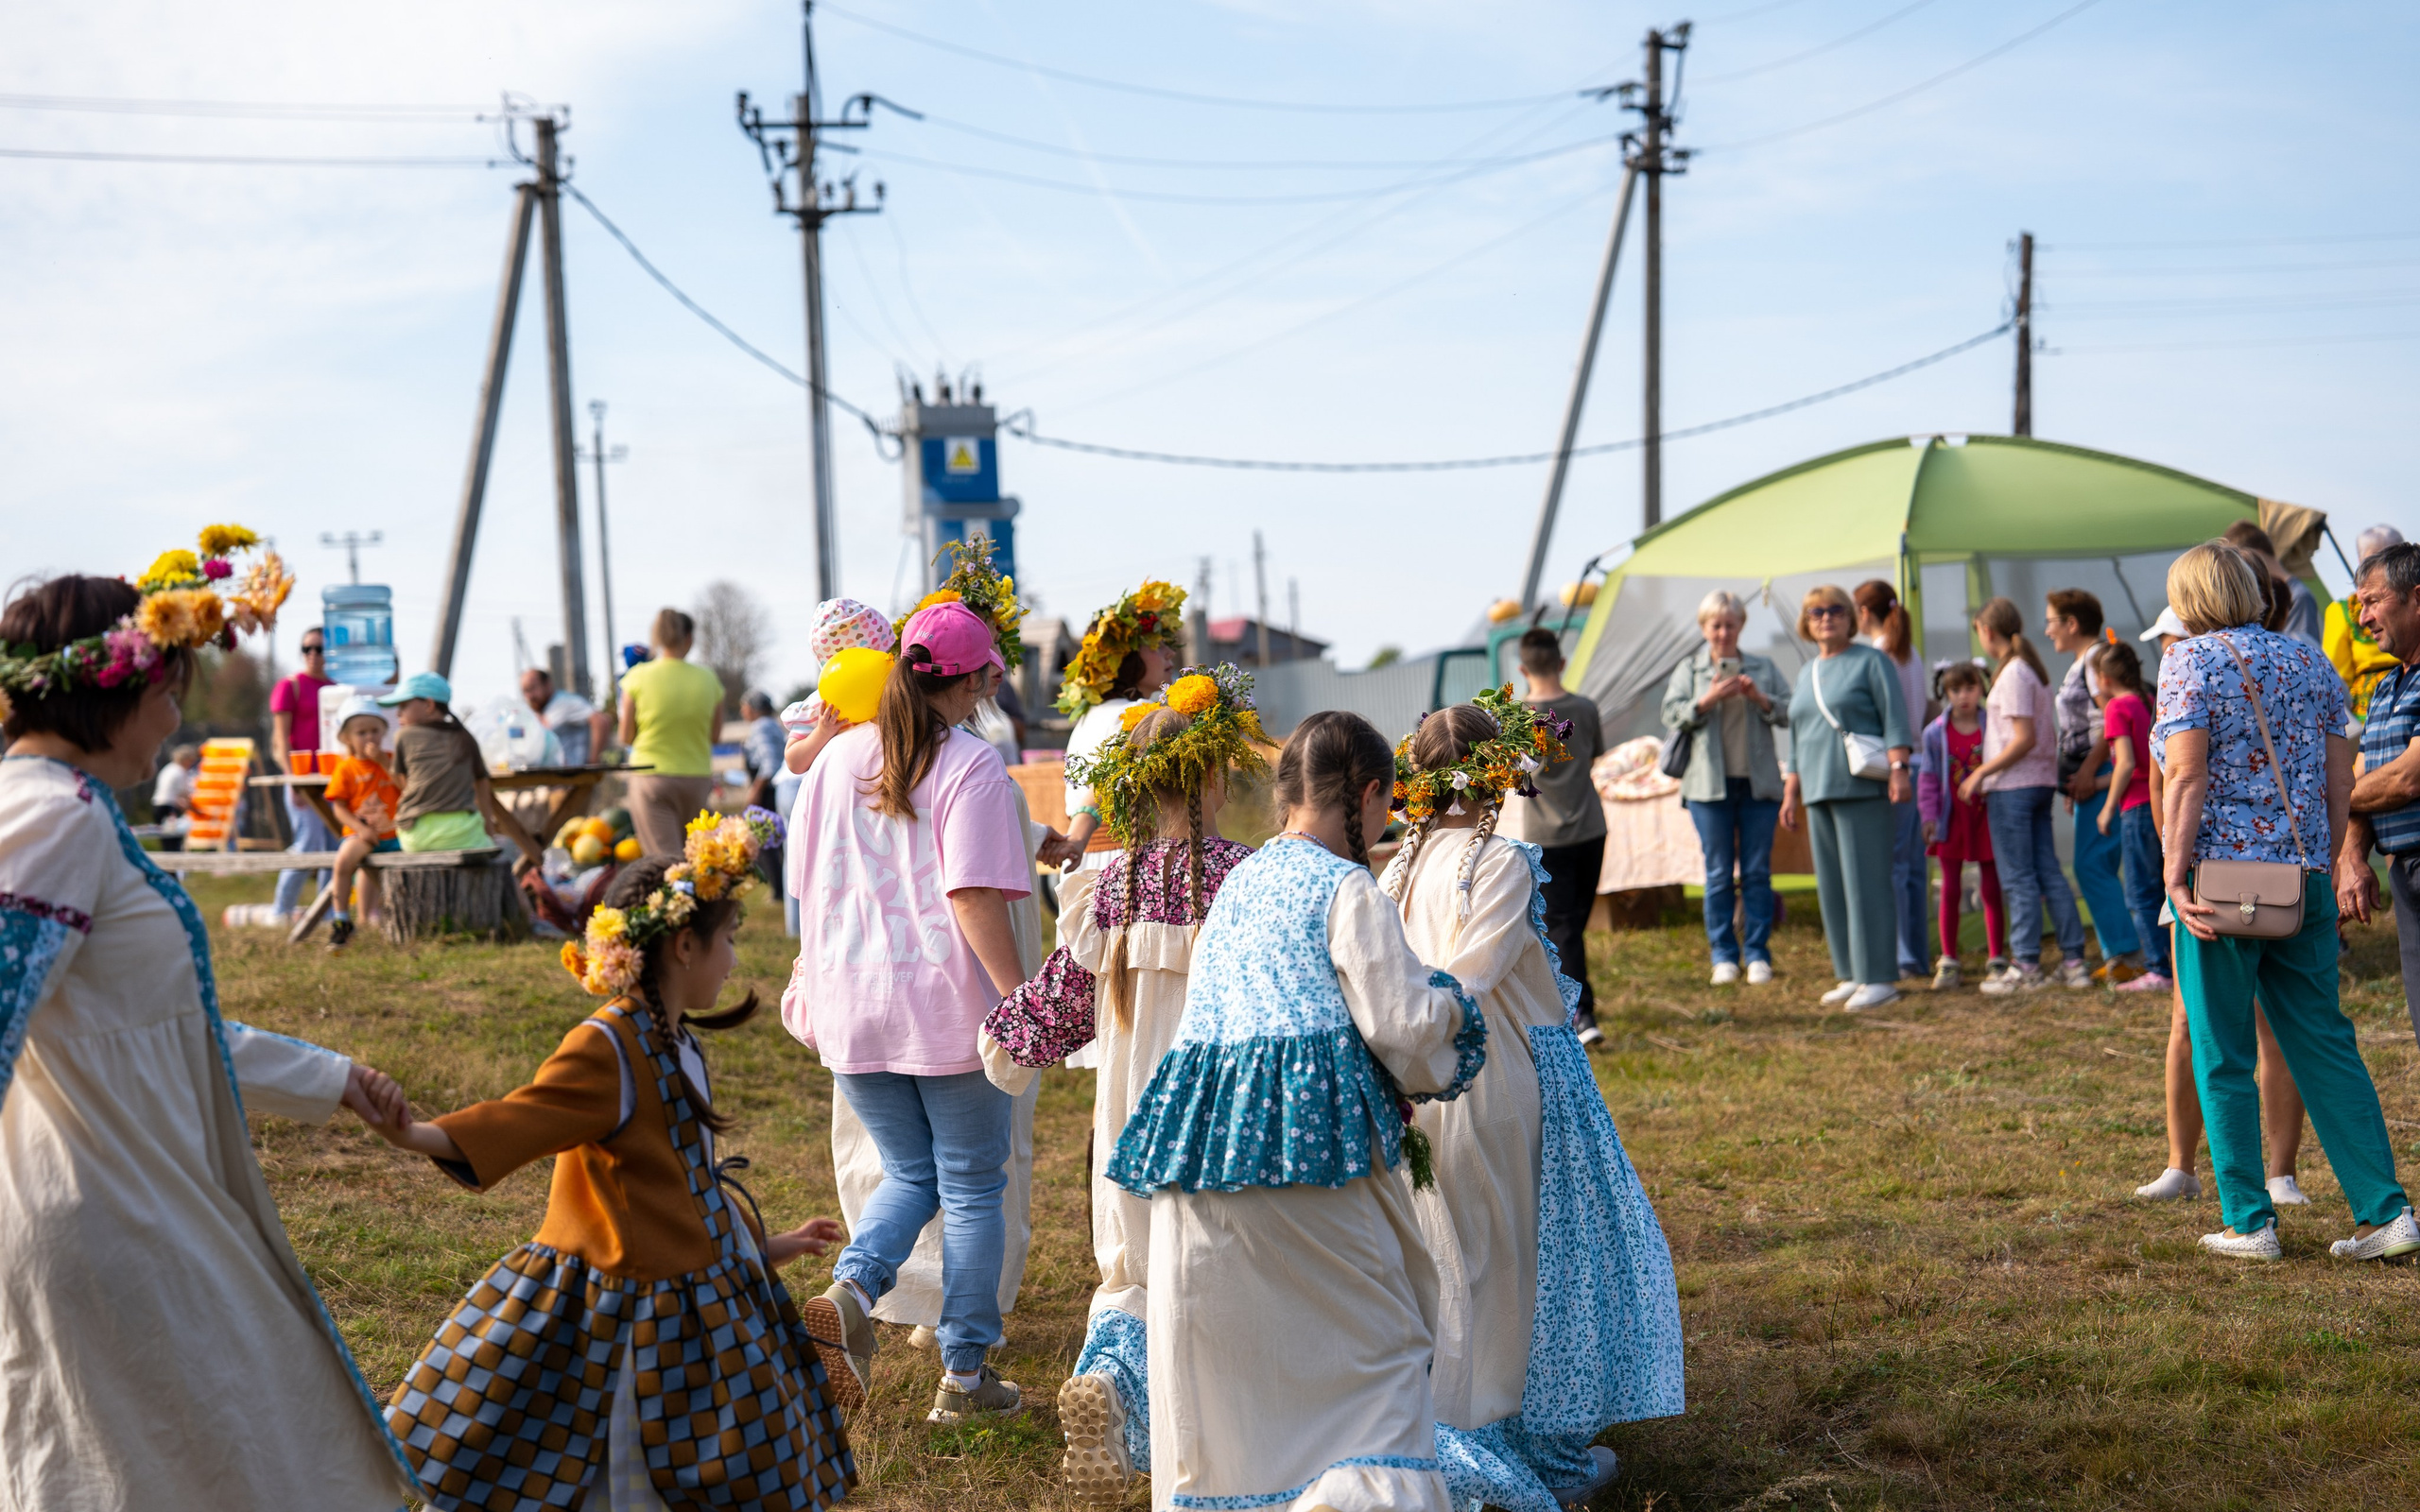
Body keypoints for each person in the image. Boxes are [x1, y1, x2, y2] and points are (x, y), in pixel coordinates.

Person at [0, 549, 425, 1509]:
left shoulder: (63, 809)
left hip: (130, 1196)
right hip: (107, 1211)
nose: (174, 718)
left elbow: (151, 1019)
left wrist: (328, 1078)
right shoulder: (51, 816)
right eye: (169, 691)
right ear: (111, 690)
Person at [374, 828, 858, 1509]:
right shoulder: (608, 1045)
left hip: (691, 1305)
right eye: (728, 939)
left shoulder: (677, 1040)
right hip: (629, 1318)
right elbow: (521, 1118)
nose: (733, 958)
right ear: (684, 945)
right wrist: (410, 1133)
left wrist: (766, 1247)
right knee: (616, 1468)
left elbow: (684, 1188)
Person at [1103, 710, 1485, 1512]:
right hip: (1307, 1151)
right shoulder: (1348, 887)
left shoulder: (1239, 881)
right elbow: (1403, 1027)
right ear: (1371, 793)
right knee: (1382, 1354)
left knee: (1237, 1371)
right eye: (1388, 804)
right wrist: (1455, 1009)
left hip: (1204, 1153)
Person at [1384, 696, 1684, 1512]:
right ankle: (1500, 1441)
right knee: (1510, 1260)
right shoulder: (1502, 862)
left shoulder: (1395, 870)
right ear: (1497, 775)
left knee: (1446, 1254)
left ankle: (1447, 1419)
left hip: (1411, 1080)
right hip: (1491, 1074)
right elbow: (1469, 981)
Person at [979, 669, 1266, 1506]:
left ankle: (1111, 1379)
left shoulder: (1110, 887)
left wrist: (1004, 1043)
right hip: (1220, 1106)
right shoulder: (1246, 879)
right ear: (1215, 779)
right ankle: (1215, 1431)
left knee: (1133, 1266)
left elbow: (1063, 999)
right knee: (1220, 1258)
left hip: (1132, 1114)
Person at [784, 599, 1035, 1424]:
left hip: (847, 1002)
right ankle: (964, 1377)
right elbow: (972, 895)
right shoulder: (970, 764)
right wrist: (1020, 1000)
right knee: (970, 1186)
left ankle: (852, 1290)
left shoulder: (833, 758)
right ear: (973, 684)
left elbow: (803, 885)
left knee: (912, 1175)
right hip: (944, 1009)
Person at [2157, 541, 2416, 1262]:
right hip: (2303, 880)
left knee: (2223, 1050)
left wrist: (2174, 876)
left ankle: (2249, 1222)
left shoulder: (2187, 661)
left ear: (2190, 599)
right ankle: (2386, 1212)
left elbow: (2185, 775)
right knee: (2325, 1044)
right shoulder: (2310, 659)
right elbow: (2341, 780)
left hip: (2218, 883)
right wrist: (2325, 860)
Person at [2132, 607, 2308, 1206]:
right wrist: (2173, 867)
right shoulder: (2179, 689)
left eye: (2171, 637)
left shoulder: (2219, 670)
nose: (2167, 649)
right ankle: (2181, 1165)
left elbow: (2180, 778)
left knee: (2269, 1022)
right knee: (2188, 1020)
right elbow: (2161, 785)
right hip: (2199, 877)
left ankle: (2279, 1174)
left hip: (2252, 873)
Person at [1780, 585, 1914, 1011]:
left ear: (1851, 617)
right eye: (1816, 611)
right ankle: (1852, 972)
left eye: (1836, 610)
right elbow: (1798, 736)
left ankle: (1879, 977)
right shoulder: (1807, 671)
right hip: (1817, 789)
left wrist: (1899, 768)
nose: (1826, 618)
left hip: (1861, 786)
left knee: (1866, 883)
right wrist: (1791, 791)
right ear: (1806, 621)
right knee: (1834, 887)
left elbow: (1895, 717)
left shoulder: (1872, 661)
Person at [1661, 591, 1790, 988]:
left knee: (1757, 872)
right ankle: (1723, 956)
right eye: (1715, 625)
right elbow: (1670, 713)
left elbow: (1789, 711)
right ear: (1704, 628)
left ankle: (1758, 954)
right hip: (1707, 788)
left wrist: (1759, 698)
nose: (1723, 632)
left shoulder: (1763, 667)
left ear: (1741, 626)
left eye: (1730, 624)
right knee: (1717, 873)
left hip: (1758, 784)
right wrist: (1706, 701)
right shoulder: (1690, 669)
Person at [1962, 597, 2092, 993]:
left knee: (2019, 877)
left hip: (2014, 788)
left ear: (1987, 631)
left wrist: (1981, 772)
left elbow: (2024, 738)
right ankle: (2073, 962)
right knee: (2047, 871)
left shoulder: (2014, 673)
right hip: (2035, 784)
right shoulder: (2027, 669)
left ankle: (2026, 965)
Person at [2338, 538, 2420, 1055]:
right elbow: (2364, 777)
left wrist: (2327, 800)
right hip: (2406, 873)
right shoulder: (2388, 686)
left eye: (2372, 601)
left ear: (2417, 598)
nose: (2364, 618)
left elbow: (2407, 778)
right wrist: (2351, 855)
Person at [1515, 626, 1612, 1041]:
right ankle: (1578, 1010)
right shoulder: (1585, 709)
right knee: (1573, 924)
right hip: (1591, 828)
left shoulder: (1516, 719)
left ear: (1522, 669)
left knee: (1562, 926)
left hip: (1545, 836)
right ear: (1562, 662)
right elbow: (1594, 756)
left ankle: (1579, 1013)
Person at [2045, 590, 2146, 983]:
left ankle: (2129, 952)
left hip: (2102, 774)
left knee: (2091, 864)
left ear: (2072, 624)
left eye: (2051, 621)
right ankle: (2118, 952)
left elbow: (2110, 722)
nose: (2047, 630)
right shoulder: (2082, 663)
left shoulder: (2094, 661)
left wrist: (2088, 772)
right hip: (2089, 777)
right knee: (2093, 863)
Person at [1057, 580, 1188, 869]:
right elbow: (1103, 783)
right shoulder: (1134, 714)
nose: (1169, 653)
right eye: (1156, 645)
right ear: (1125, 657)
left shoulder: (1090, 715)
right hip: (1121, 861)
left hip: (1087, 859)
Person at [374, 671, 544, 869]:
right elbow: (482, 783)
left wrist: (382, 761)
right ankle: (524, 886)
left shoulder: (404, 736)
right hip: (465, 835)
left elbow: (406, 787)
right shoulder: (465, 737)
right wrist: (488, 831)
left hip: (416, 836)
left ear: (429, 705)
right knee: (499, 858)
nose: (398, 714)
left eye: (403, 706)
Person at [1855, 579, 1934, 981]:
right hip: (1920, 763)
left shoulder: (1879, 653)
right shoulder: (1909, 651)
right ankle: (1916, 954)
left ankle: (1902, 955)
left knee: (1895, 867)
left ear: (1863, 613)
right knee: (1913, 867)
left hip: (1897, 766)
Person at [1916, 662, 2007, 988]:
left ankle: (1997, 958)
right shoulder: (1934, 733)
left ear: (1981, 688)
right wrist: (1928, 816)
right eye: (1956, 690)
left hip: (1986, 817)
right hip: (1951, 819)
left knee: (1991, 888)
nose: (1964, 696)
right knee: (1950, 888)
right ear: (1946, 692)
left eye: (1970, 688)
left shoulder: (1993, 725)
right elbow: (1928, 778)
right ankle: (1949, 960)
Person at [618, 608, 725, 858]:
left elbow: (625, 736)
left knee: (665, 863)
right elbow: (715, 736)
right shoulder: (709, 679)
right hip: (696, 778)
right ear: (689, 638)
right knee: (698, 860)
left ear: (656, 638)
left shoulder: (636, 677)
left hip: (650, 777)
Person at [2093, 644, 2169, 990]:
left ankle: (2158, 970)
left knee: (2140, 893)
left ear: (2104, 679)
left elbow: (2125, 764)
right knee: (2161, 887)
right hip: (2158, 804)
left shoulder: (2116, 707)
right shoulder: (2146, 700)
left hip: (2135, 810)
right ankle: (2169, 963)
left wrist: (2107, 807)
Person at [322, 696, 401, 949]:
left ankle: (404, 918)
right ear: (347, 738)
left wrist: (384, 763)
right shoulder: (346, 768)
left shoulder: (391, 760)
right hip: (362, 835)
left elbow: (407, 787)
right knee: (343, 862)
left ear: (384, 732)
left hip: (397, 834)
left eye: (375, 731)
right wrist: (361, 829)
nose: (370, 737)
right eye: (361, 732)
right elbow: (339, 808)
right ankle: (342, 920)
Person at [268, 624, 336, 920]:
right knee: (308, 843)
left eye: (320, 648)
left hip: (332, 777)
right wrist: (293, 779)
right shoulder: (290, 685)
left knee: (335, 845)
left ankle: (328, 913)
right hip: (302, 779)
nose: (313, 654)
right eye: (307, 648)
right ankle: (281, 911)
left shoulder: (335, 688)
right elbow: (281, 738)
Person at [2325, 524, 2405, 721]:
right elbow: (2336, 680)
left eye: (2391, 559)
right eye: (2375, 560)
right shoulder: (2341, 611)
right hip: (2367, 715)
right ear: (2361, 562)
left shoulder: (2412, 600)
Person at [2222, 520, 2325, 649]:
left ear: (2255, 554)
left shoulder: (2299, 596)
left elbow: (2303, 648)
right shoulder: (2274, 592)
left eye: (2240, 561)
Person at [520, 665, 611, 767]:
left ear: (547, 684)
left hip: (575, 774)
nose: (529, 696)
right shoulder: (540, 711)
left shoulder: (566, 702)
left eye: (532, 688)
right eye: (525, 691)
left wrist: (593, 761)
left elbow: (601, 721)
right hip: (553, 775)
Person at [740, 689, 785, 811]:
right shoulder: (773, 724)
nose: (742, 710)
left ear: (753, 708)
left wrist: (756, 791)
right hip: (778, 787)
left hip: (767, 791)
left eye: (744, 706)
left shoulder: (760, 726)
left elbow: (769, 763)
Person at [150, 740, 199, 846]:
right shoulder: (179, 771)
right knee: (173, 835)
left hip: (157, 803)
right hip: (168, 806)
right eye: (190, 761)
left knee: (164, 834)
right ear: (185, 760)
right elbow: (184, 793)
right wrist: (194, 808)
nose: (191, 764)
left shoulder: (169, 768)